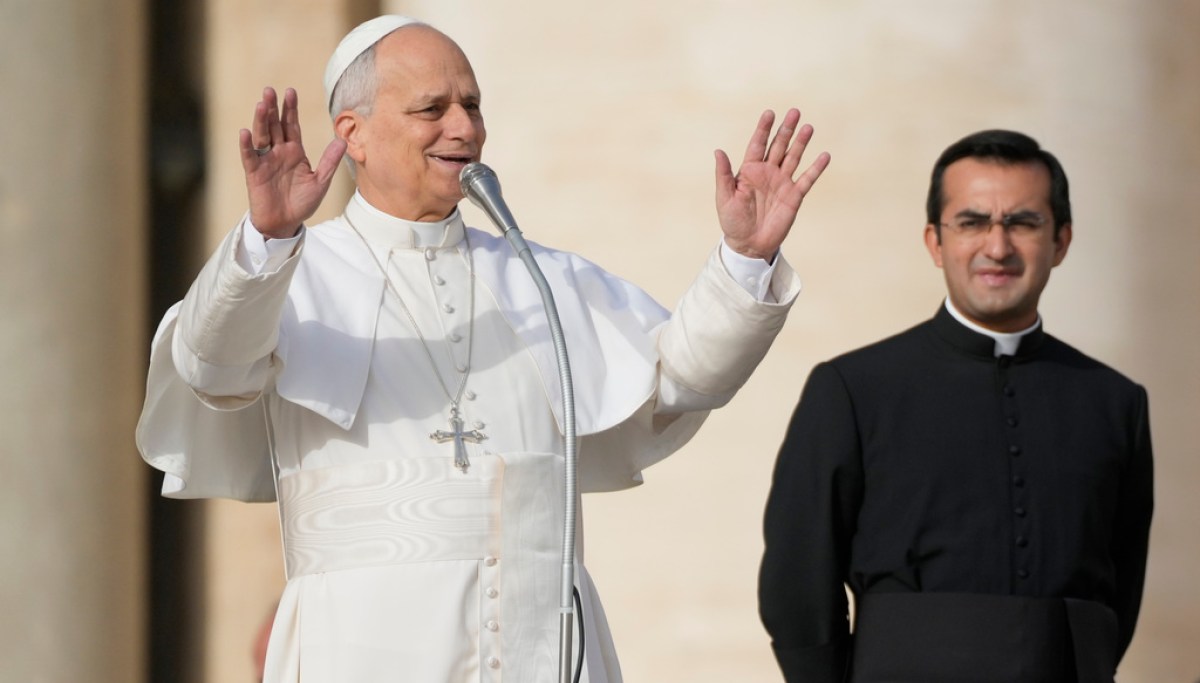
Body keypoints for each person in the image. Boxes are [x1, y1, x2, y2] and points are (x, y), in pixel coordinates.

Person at [136, 14, 830, 683]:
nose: (464, 127)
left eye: (472, 104)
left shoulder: (536, 274)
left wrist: (744, 259)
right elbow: (211, 367)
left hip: (543, 637)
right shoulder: (289, 272)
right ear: (354, 134)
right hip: (362, 643)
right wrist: (269, 240)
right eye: (431, 109)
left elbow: (674, 381)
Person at [759, 129, 1153, 683]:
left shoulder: (1116, 403)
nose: (998, 247)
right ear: (935, 242)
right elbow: (796, 582)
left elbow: (1119, 592)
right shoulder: (853, 388)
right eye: (971, 223)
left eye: (1023, 222)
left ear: (1061, 241)